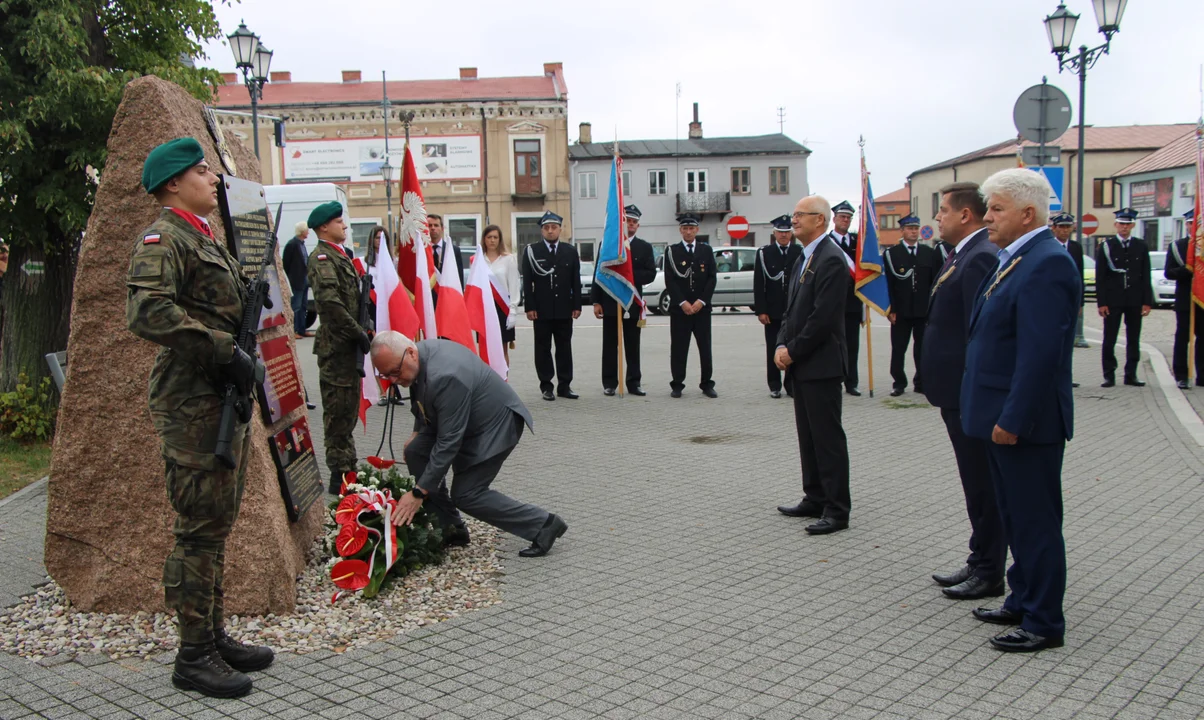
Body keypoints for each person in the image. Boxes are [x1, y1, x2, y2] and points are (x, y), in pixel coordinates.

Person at [126, 137, 273, 698]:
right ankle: (192, 656)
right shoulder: (163, 238)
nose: (212, 178)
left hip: (217, 400)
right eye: (201, 170)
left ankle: (213, 636)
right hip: (191, 403)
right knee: (197, 532)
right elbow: (147, 312)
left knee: (216, 524)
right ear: (172, 184)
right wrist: (223, 349)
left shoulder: (204, 235)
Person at [962, 168, 1078, 653]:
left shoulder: (1047, 262)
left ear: (1027, 213)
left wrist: (1013, 418)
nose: (987, 217)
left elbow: (1039, 356)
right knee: (1013, 514)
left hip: (1025, 423)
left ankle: (1044, 621)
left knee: (1035, 521)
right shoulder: (1017, 258)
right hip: (998, 416)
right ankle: (1021, 598)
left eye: (996, 209)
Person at [372, 331, 569, 557]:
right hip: (462, 418)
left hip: (494, 425)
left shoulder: (445, 376)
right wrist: (417, 431)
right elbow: (422, 394)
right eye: (387, 376)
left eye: (395, 372)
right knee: (415, 451)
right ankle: (450, 527)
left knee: (467, 493)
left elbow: (448, 443)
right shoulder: (418, 354)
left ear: (410, 353)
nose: (394, 381)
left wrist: (418, 492)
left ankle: (544, 525)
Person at [921, 182, 1005, 601]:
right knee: (974, 482)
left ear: (965, 215)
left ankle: (990, 569)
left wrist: (974, 391)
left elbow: (980, 334)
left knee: (982, 484)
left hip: (967, 393)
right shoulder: (963, 253)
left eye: (943, 211)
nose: (938, 218)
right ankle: (979, 559)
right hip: (953, 392)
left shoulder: (979, 257)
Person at [774, 196, 851, 535]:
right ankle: (814, 496)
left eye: (800, 215)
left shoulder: (832, 259)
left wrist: (793, 351)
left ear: (820, 220)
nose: (794, 220)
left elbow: (823, 318)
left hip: (821, 364)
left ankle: (836, 509)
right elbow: (791, 310)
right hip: (802, 363)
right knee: (808, 436)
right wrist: (780, 342)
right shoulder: (805, 256)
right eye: (794, 214)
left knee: (827, 438)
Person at [306, 201, 371, 494]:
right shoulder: (322, 257)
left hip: (348, 346)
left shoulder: (340, 256)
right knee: (337, 413)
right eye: (339, 222)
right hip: (337, 348)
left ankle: (348, 468)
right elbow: (331, 305)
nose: (344, 226)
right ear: (324, 227)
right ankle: (340, 475)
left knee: (347, 411)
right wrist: (358, 333)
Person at [592, 204, 657, 396]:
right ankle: (610, 383)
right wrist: (596, 301)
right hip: (610, 301)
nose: (631, 225)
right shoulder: (608, 245)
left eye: (634, 222)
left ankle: (634, 382)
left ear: (638, 225)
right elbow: (599, 272)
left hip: (632, 303)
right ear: (621, 223)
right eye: (627, 221)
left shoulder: (644, 247)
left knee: (632, 343)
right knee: (610, 344)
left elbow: (650, 274)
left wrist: (627, 275)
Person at [520, 211, 582, 401]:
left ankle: (565, 385)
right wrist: (529, 307)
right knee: (543, 348)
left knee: (564, 348)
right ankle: (546, 386)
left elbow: (575, 281)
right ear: (542, 231)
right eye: (546, 228)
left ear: (560, 229)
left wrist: (577, 305)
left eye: (554, 227)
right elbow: (527, 282)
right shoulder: (532, 251)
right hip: (541, 310)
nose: (550, 231)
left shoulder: (570, 251)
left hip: (564, 308)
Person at [1095, 207, 1152, 387]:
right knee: (1110, 338)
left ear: (1133, 225)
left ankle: (1131, 374)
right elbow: (1101, 277)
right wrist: (1102, 302)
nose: (1124, 227)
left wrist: (1146, 301)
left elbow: (1145, 274)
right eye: (1121, 224)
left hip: (1134, 299)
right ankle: (1109, 374)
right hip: (1113, 300)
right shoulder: (1106, 246)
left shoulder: (1140, 246)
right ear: (1116, 225)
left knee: (1133, 338)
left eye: (1127, 224)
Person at [883, 215, 938, 396]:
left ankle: (921, 382)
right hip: (901, 311)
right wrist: (891, 309)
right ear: (902, 231)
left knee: (922, 348)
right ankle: (899, 382)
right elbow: (889, 284)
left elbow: (935, 283)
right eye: (910, 228)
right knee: (899, 348)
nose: (913, 231)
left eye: (916, 228)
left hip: (923, 310)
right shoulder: (892, 254)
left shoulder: (929, 253)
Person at [664, 213, 718, 398]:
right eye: (685, 228)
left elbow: (712, 278)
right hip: (681, 310)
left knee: (705, 347)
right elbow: (670, 280)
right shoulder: (672, 251)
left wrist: (701, 301)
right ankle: (677, 384)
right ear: (680, 230)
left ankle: (707, 383)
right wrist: (683, 303)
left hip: (701, 309)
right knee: (679, 348)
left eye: (691, 228)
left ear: (697, 230)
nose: (688, 232)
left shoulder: (706, 250)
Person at [753, 214, 802, 399]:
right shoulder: (765, 253)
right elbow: (759, 283)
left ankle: (791, 384)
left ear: (791, 233)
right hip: (772, 311)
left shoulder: (799, 252)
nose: (784, 236)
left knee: (792, 348)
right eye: (780, 232)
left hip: (793, 310)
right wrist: (761, 310)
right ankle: (774, 385)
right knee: (772, 347)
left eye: (787, 232)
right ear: (774, 233)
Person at [828, 200, 863, 396]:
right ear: (834, 219)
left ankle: (852, 382)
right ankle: (834, 379)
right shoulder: (826, 242)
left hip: (852, 302)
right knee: (832, 345)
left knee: (852, 345)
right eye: (842, 217)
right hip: (832, 301)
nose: (845, 220)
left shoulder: (858, 242)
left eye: (849, 218)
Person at [1165, 208, 1202, 389]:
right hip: (1185, 300)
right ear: (1186, 225)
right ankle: (1181, 375)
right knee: (1183, 338)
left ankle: (1202, 375)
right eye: (1190, 223)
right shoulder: (1177, 246)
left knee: (1203, 339)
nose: (1192, 227)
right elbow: (1169, 272)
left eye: (1196, 224)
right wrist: (1186, 271)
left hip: (1202, 299)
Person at [1050, 213, 1087, 387]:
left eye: (1068, 227)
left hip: (1070, 300)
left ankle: (1066, 376)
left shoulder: (1076, 248)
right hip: (1053, 299)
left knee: (1068, 341)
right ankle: (1052, 375)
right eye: (1061, 227)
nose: (1065, 230)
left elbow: (1079, 276)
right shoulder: (1048, 246)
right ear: (1054, 228)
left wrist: (1080, 302)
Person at [481, 224, 520, 365]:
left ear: (500, 239)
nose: (492, 240)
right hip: (484, 308)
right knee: (485, 350)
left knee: (502, 350)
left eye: (495, 237)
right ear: (484, 239)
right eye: (489, 237)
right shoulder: (477, 259)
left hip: (503, 307)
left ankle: (503, 382)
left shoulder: (508, 259)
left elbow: (514, 286)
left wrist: (513, 311)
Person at [283, 221, 312, 339]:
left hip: (304, 280)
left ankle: (302, 329)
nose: (308, 232)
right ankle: (294, 330)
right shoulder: (292, 244)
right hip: (296, 281)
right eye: (307, 230)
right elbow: (286, 263)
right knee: (296, 306)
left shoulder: (302, 244)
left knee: (304, 306)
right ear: (302, 231)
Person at [429, 214, 464, 305]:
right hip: (428, 301)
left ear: (442, 228)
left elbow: (459, 279)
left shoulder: (454, 250)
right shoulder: (421, 252)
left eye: (436, 225)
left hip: (447, 300)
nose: (433, 228)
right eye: (429, 225)